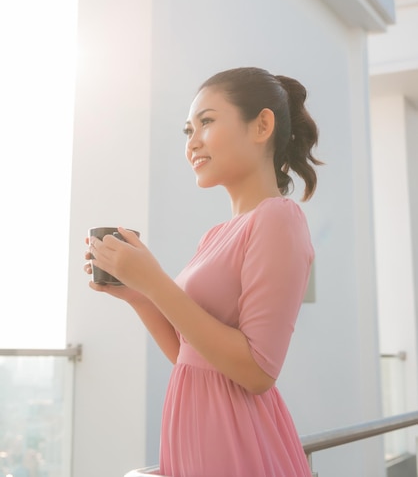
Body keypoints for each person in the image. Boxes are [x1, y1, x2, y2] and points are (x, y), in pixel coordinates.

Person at [85, 66, 322, 477]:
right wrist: (139, 294)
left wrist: (154, 281)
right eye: (186, 131)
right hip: (197, 439)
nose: (192, 142)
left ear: (262, 124)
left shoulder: (279, 219)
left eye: (206, 122)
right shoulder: (215, 235)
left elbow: (257, 371)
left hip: (236, 442)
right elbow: (189, 355)